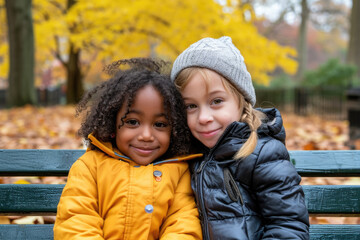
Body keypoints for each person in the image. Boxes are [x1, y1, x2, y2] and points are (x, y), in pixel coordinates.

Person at [171, 37, 310, 239]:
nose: (203, 118)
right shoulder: (185, 154)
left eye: (216, 101)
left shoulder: (262, 154)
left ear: (241, 100)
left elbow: (288, 227)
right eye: (190, 106)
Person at [54, 58, 203, 240]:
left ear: (174, 130)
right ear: (112, 124)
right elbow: (76, 222)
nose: (146, 135)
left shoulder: (179, 173)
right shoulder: (89, 167)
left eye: (160, 124)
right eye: (133, 122)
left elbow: (183, 227)